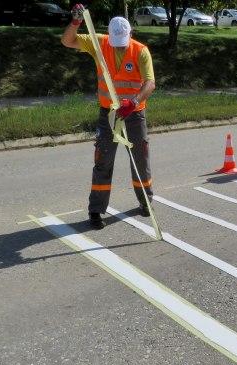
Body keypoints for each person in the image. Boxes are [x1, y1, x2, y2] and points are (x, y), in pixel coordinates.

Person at [61, 5, 156, 230]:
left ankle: (145, 202)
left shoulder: (140, 51)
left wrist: (133, 103)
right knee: (103, 161)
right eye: (116, 42)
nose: (119, 46)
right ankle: (95, 211)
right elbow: (67, 41)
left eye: (123, 42)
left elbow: (150, 83)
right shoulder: (100, 42)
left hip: (134, 114)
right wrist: (75, 22)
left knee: (140, 160)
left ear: (130, 34)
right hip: (108, 114)